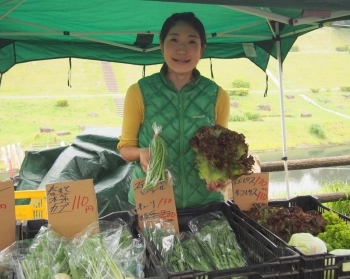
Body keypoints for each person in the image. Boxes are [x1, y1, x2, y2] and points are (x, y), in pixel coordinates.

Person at [117, 12, 230, 209]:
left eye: (192, 42)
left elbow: (220, 151)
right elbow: (125, 148)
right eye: (174, 40)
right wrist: (142, 152)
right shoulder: (139, 92)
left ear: (202, 48)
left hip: (204, 204)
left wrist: (221, 175)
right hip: (153, 202)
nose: (181, 49)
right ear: (161, 45)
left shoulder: (218, 95)